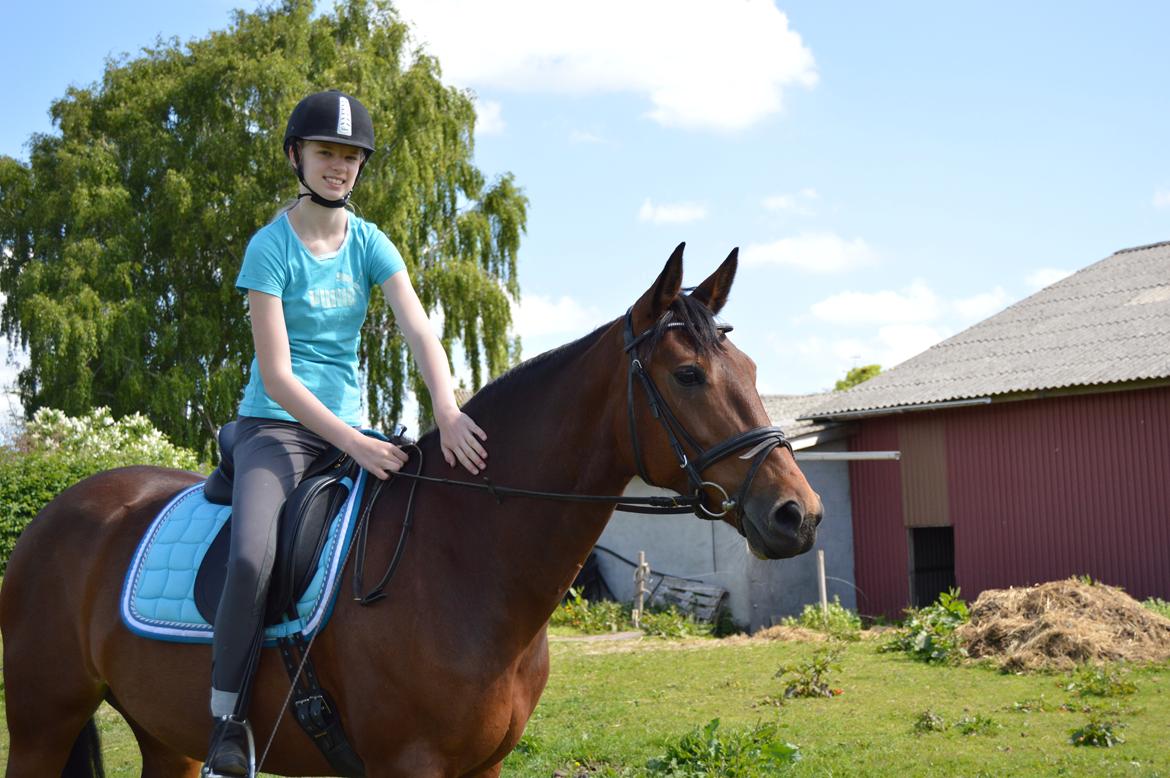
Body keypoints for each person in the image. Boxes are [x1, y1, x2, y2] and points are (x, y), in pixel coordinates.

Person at [203, 89, 488, 777]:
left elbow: (420, 329)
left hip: (352, 429)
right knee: (250, 560)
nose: (340, 166)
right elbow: (277, 376)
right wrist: (356, 444)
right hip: (276, 431)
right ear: (297, 155)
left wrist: (446, 410)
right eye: (328, 152)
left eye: (352, 156)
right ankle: (225, 728)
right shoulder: (270, 248)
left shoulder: (369, 241)